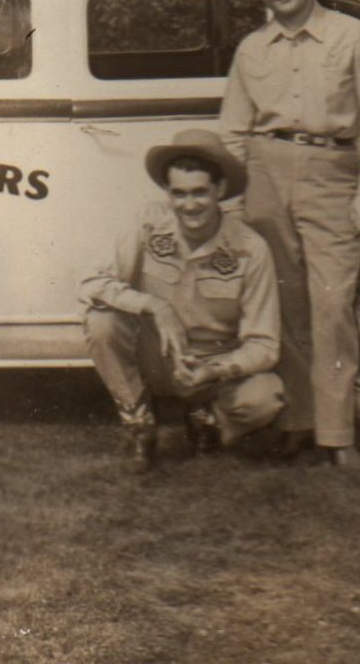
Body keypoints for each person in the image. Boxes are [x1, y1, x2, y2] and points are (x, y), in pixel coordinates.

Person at [217, 0, 360, 471]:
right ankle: (299, 422)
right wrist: (234, 202)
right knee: (285, 305)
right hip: (267, 173)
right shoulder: (251, 49)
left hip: (332, 173)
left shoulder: (353, 36)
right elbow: (233, 131)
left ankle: (338, 436)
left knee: (333, 305)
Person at [81, 129, 284, 473]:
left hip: (211, 366)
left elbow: (264, 345)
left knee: (267, 397)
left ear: (219, 190)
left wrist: (214, 370)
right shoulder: (148, 223)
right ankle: (139, 424)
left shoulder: (250, 248)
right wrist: (154, 306)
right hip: (157, 354)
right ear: (167, 193)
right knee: (102, 322)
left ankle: (207, 419)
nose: (189, 205)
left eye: (200, 193)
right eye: (179, 193)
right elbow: (92, 282)